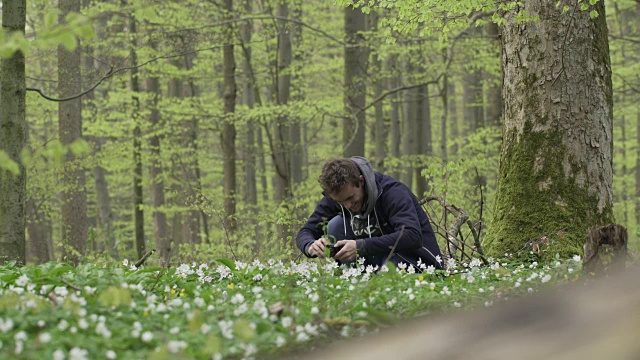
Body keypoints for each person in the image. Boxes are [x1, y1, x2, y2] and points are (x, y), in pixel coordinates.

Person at [296, 156, 443, 271]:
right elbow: (306, 231)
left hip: (413, 261)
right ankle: (355, 281)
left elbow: (412, 236)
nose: (347, 205)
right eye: (341, 202)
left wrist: (361, 246)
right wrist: (310, 246)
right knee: (336, 224)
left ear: (361, 181)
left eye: (350, 198)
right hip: (373, 261)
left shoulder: (392, 192)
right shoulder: (338, 196)